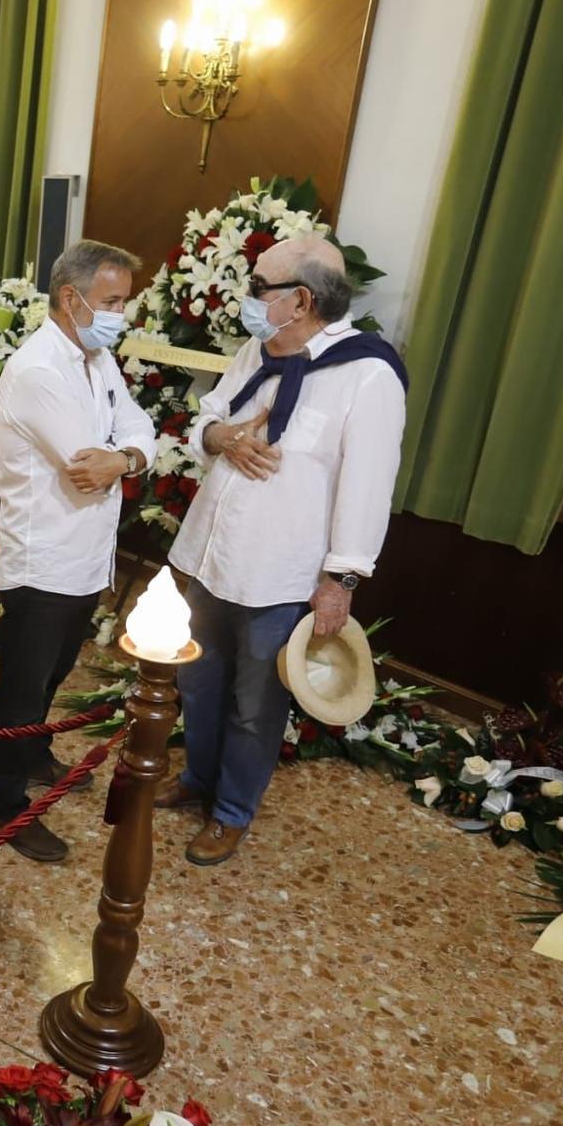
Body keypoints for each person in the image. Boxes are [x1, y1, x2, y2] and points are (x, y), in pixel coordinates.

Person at [160, 234, 408, 866]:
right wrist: (221, 437)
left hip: (282, 572)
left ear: (300, 301)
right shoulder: (255, 349)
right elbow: (206, 417)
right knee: (199, 680)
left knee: (254, 704)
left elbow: (369, 484)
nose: (247, 298)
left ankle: (232, 811)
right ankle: (197, 781)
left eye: (258, 287)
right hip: (213, 555)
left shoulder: (368, 374)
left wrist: (341, 581)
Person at [0, 240, 156, 862]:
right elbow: (86, 465)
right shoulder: (39, 370)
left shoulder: (96, 357)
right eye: (111, 301)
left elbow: (138, 428)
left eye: (123, 302)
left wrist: (128, 456)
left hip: (86, 556)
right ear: (70, 298)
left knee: (55, 672)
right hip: (44, 557)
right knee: (23, 687)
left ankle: (32, 756)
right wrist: (117, 456)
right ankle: (4, 804)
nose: (120, 314)